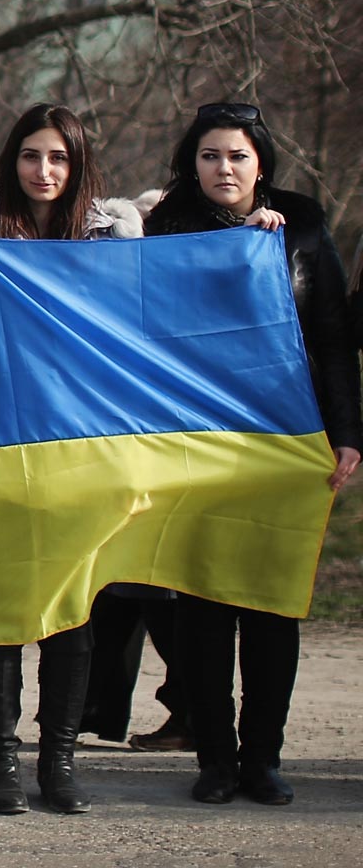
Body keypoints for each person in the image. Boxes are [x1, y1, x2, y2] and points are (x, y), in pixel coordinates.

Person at [142, 100, 361, 806]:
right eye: (210, 156)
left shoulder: (300, 226)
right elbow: (154, 328)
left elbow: (331, 337)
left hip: (286, 439)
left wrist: (348, 432)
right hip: (198, 440)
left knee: (273, 605)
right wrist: (239, 250)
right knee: (203, 606)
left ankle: (262, 758)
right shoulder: (165, 227)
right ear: (192, 163)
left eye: (236, 155)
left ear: (260, 162)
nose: (223, 167)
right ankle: (214, 760)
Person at [0, 102, 141, 815]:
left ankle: (59, 762)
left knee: (72, 610)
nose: (44, 171)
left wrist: (262, 226)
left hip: (81, 447)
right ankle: (0, 764)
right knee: (2, 610)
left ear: (78, 164)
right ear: (11, 161)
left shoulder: (110, 244)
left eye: (58, 158)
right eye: (31, 156)